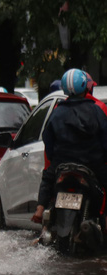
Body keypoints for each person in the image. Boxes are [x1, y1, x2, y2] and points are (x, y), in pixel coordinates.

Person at [31, 68, 107, 223]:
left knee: (47, 178)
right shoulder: (96, 110)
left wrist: (55, 158)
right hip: (92, 163)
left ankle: (39, 209)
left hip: (62, 162)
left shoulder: (57, 111)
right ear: (86, 86)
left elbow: (48, 139)